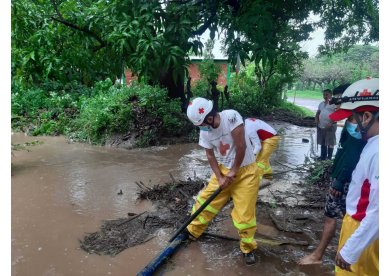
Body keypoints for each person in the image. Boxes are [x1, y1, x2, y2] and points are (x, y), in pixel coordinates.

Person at [185, 97, 261, 266]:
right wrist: (220, 177)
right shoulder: (205, 132)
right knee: (205, 200)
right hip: (224, 171)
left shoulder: (231, 117)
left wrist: (234, 171)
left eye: (202, 124)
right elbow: (210, 155)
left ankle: (247, 248)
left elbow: (241, 146)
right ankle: (192, 230)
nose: (201, 128)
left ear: (209, 118)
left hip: (246, 171)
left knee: (244, 215)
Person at [298, 113, 366, 265]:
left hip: (344, 179)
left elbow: (352, 155)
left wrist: (340, 181)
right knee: (348, 216)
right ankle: (345, 247)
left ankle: (318, 255)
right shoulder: (352, 121)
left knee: (331, 217)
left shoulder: (358, 125)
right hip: (344, 177)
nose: (336, 106)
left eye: (338, 101)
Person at [329, 78, 379, 275]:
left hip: (363, 227)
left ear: (367, 116)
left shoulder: (379, 151)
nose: (350, 125)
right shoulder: (373, 144)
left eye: (351, 119)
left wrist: (351, 249)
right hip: (362, 228)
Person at [316, 89, 337, 160]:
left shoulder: (334, 104)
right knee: (322, 141)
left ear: (331, 95)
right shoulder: (321, 104)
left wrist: (331, 122)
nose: (325, 96)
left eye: (327, 94)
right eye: (324, 94)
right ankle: (323, 157)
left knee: (330, 142)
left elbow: (337, 114)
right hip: (321, 125)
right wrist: (316, 120)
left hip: (331, 125)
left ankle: (329, 158)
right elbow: (318, 112)